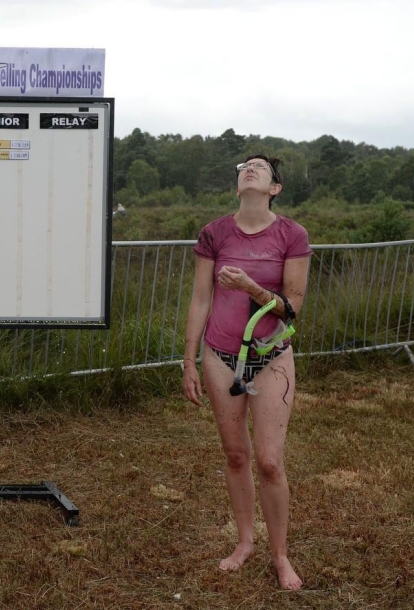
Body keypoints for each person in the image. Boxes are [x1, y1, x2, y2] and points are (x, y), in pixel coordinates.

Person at [182, 154, 312, 590]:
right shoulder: (214, 233)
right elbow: (201, 299)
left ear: (275, 188)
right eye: (244, 167)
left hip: (271, 355)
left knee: (270, 461)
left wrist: (250, 288)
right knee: (236, 454)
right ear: (238, 186)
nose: (249, 168)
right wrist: (188, 361)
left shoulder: (292, 235)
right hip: (220, 354)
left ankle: (280, 555)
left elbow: (291, 308)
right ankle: (244, 542)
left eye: (260, 167)